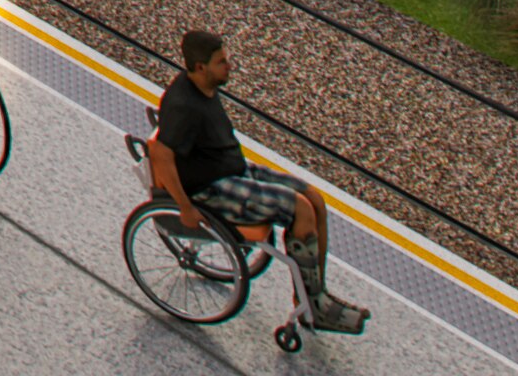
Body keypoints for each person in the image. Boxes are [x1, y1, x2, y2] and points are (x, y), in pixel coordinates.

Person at [148, 29, 370, 336]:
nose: (230, 65)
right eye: (222, 62)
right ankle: (312, 308)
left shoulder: (203, 87)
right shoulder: (183, 105)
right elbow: (160, 154)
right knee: (301, 211)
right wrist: (185, 208)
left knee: (315, 200)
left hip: (233, 170)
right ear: (201, 68)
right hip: (212, 188)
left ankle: (314, 295)